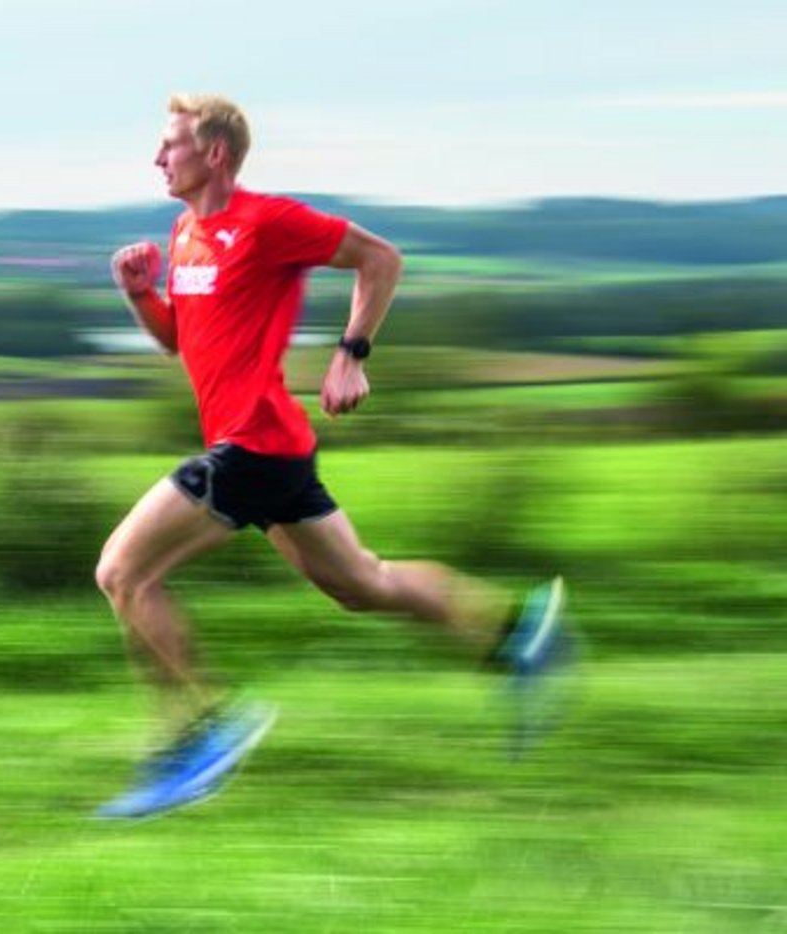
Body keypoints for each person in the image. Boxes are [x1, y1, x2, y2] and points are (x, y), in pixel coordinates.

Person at [95, 93, 570, 819]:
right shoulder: (187, 233)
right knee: (363, 585)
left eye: (171, 144)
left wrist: (352, 353)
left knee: (123, 571)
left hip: (251, 447)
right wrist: (139, 296)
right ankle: (518, 634)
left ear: (214, 153)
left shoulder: (269, 220)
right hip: (270, 451)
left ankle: (197, 734)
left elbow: (380, 258)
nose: (158, 157)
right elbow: (182, 344)